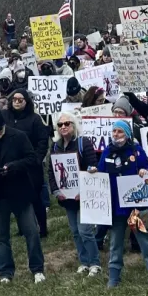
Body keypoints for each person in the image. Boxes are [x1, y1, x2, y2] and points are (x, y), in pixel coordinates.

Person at [0, 108, 45, 283]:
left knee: (31, 232)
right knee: (1, 236)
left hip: (19, 192)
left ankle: (37, 268)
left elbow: (32, 158)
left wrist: (14, 166)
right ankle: (5, 272)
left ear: (4, 125)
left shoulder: (18, 136)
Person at [97, 119, 148, 288]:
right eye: (114, 131)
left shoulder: (137, 151)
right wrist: (93, 172)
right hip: (116, 206)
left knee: (145, 239)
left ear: (126, 134)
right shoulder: (107, 153)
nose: (116, 134)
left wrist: (145, 171)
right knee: (115, 242)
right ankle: (114, 276)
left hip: (135, 204)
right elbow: (101, 173)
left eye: (119, 131)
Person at [48, 112, 100, 276]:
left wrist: (84, 191)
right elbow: (51, 172)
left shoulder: (83, 143)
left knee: (85, 230)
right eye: (60, 124)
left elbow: (93, 168)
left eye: (67, 123)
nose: (63, 127)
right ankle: (83, 261)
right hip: (67, 198)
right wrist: (57, 192)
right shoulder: (55, 147)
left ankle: (95, 263)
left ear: (74, 125)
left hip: (83, 196)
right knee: (75, 232)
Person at [4, 89, 52, 239]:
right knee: (17, 198)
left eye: (20, 100)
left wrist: (37, 159)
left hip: (31, 166)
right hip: (12, 165)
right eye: (15, 99)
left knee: (36, 199)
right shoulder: (6, 117)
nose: (17, 102)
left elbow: (43, 141)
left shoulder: (35, 119)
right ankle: (22, 228)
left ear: (26, 102)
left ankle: (42, 228)